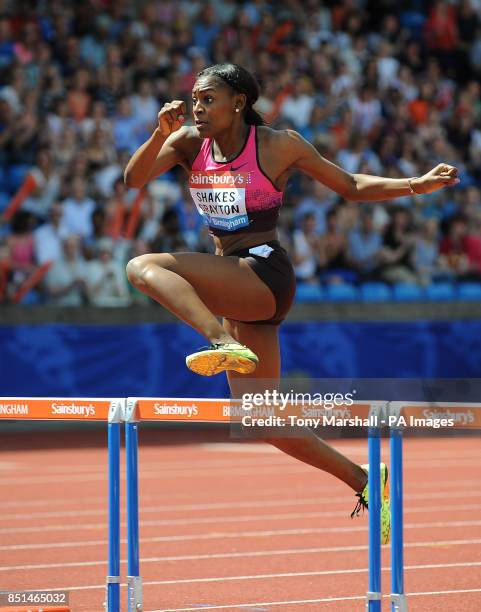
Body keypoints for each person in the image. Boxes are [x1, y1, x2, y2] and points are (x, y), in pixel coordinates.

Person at [124, 63, 459, 545]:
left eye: (209, 98)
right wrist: (159, 134)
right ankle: (367, 480)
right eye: (194, 98)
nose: (197, 107)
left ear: (239, 101)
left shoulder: (278, 144)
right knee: (263, 420)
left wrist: (415, 184)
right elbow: (134, 180)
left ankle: (220, 341)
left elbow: (351, 186)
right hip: (234, 284)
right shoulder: (185, 144)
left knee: (142, 267)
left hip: (263, 273)